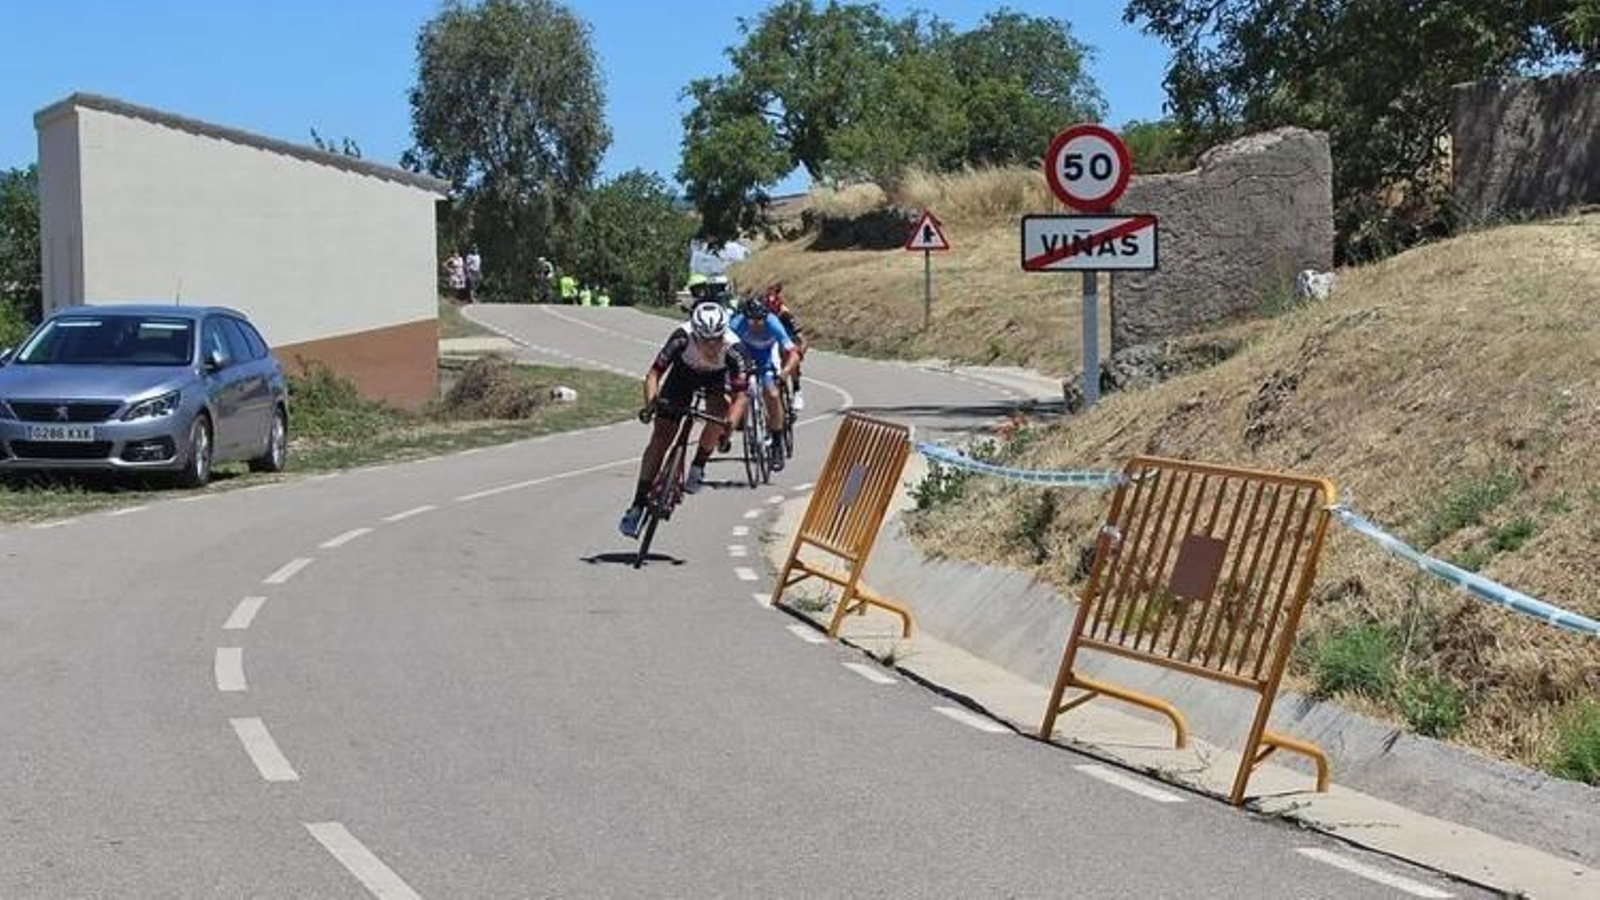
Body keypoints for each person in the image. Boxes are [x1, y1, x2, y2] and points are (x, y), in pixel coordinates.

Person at [620, 303, 754, 537]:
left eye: (717, 339)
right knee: (661, 437)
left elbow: (741, 396)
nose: (712, 345)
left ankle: (699, 464)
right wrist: (651, 404)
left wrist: (728, 429)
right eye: (705, 340)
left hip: (716, 378)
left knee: (719, 413)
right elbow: (653, 375)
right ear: (695, 333)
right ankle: (637, 504)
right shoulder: (682, 337)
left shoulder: (735, 349)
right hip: (683, 375)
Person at [730, 295, 799, 472]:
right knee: (735, 391)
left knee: (773, 394)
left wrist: (783, 374)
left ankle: (777, 445)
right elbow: (725, 350)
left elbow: (793, 353)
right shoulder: (737, 324)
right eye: (752, 320)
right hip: (744, 359)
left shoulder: (773, 323)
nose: (756, 323)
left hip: (767, 359)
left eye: (760, 319)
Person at [763, 282, 807, 411]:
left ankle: (797, 391)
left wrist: (800, 353)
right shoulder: (763, 314)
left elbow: (802, 338)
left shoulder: (786, 314)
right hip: (770, 341)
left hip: (786, 340)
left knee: (791, 356)